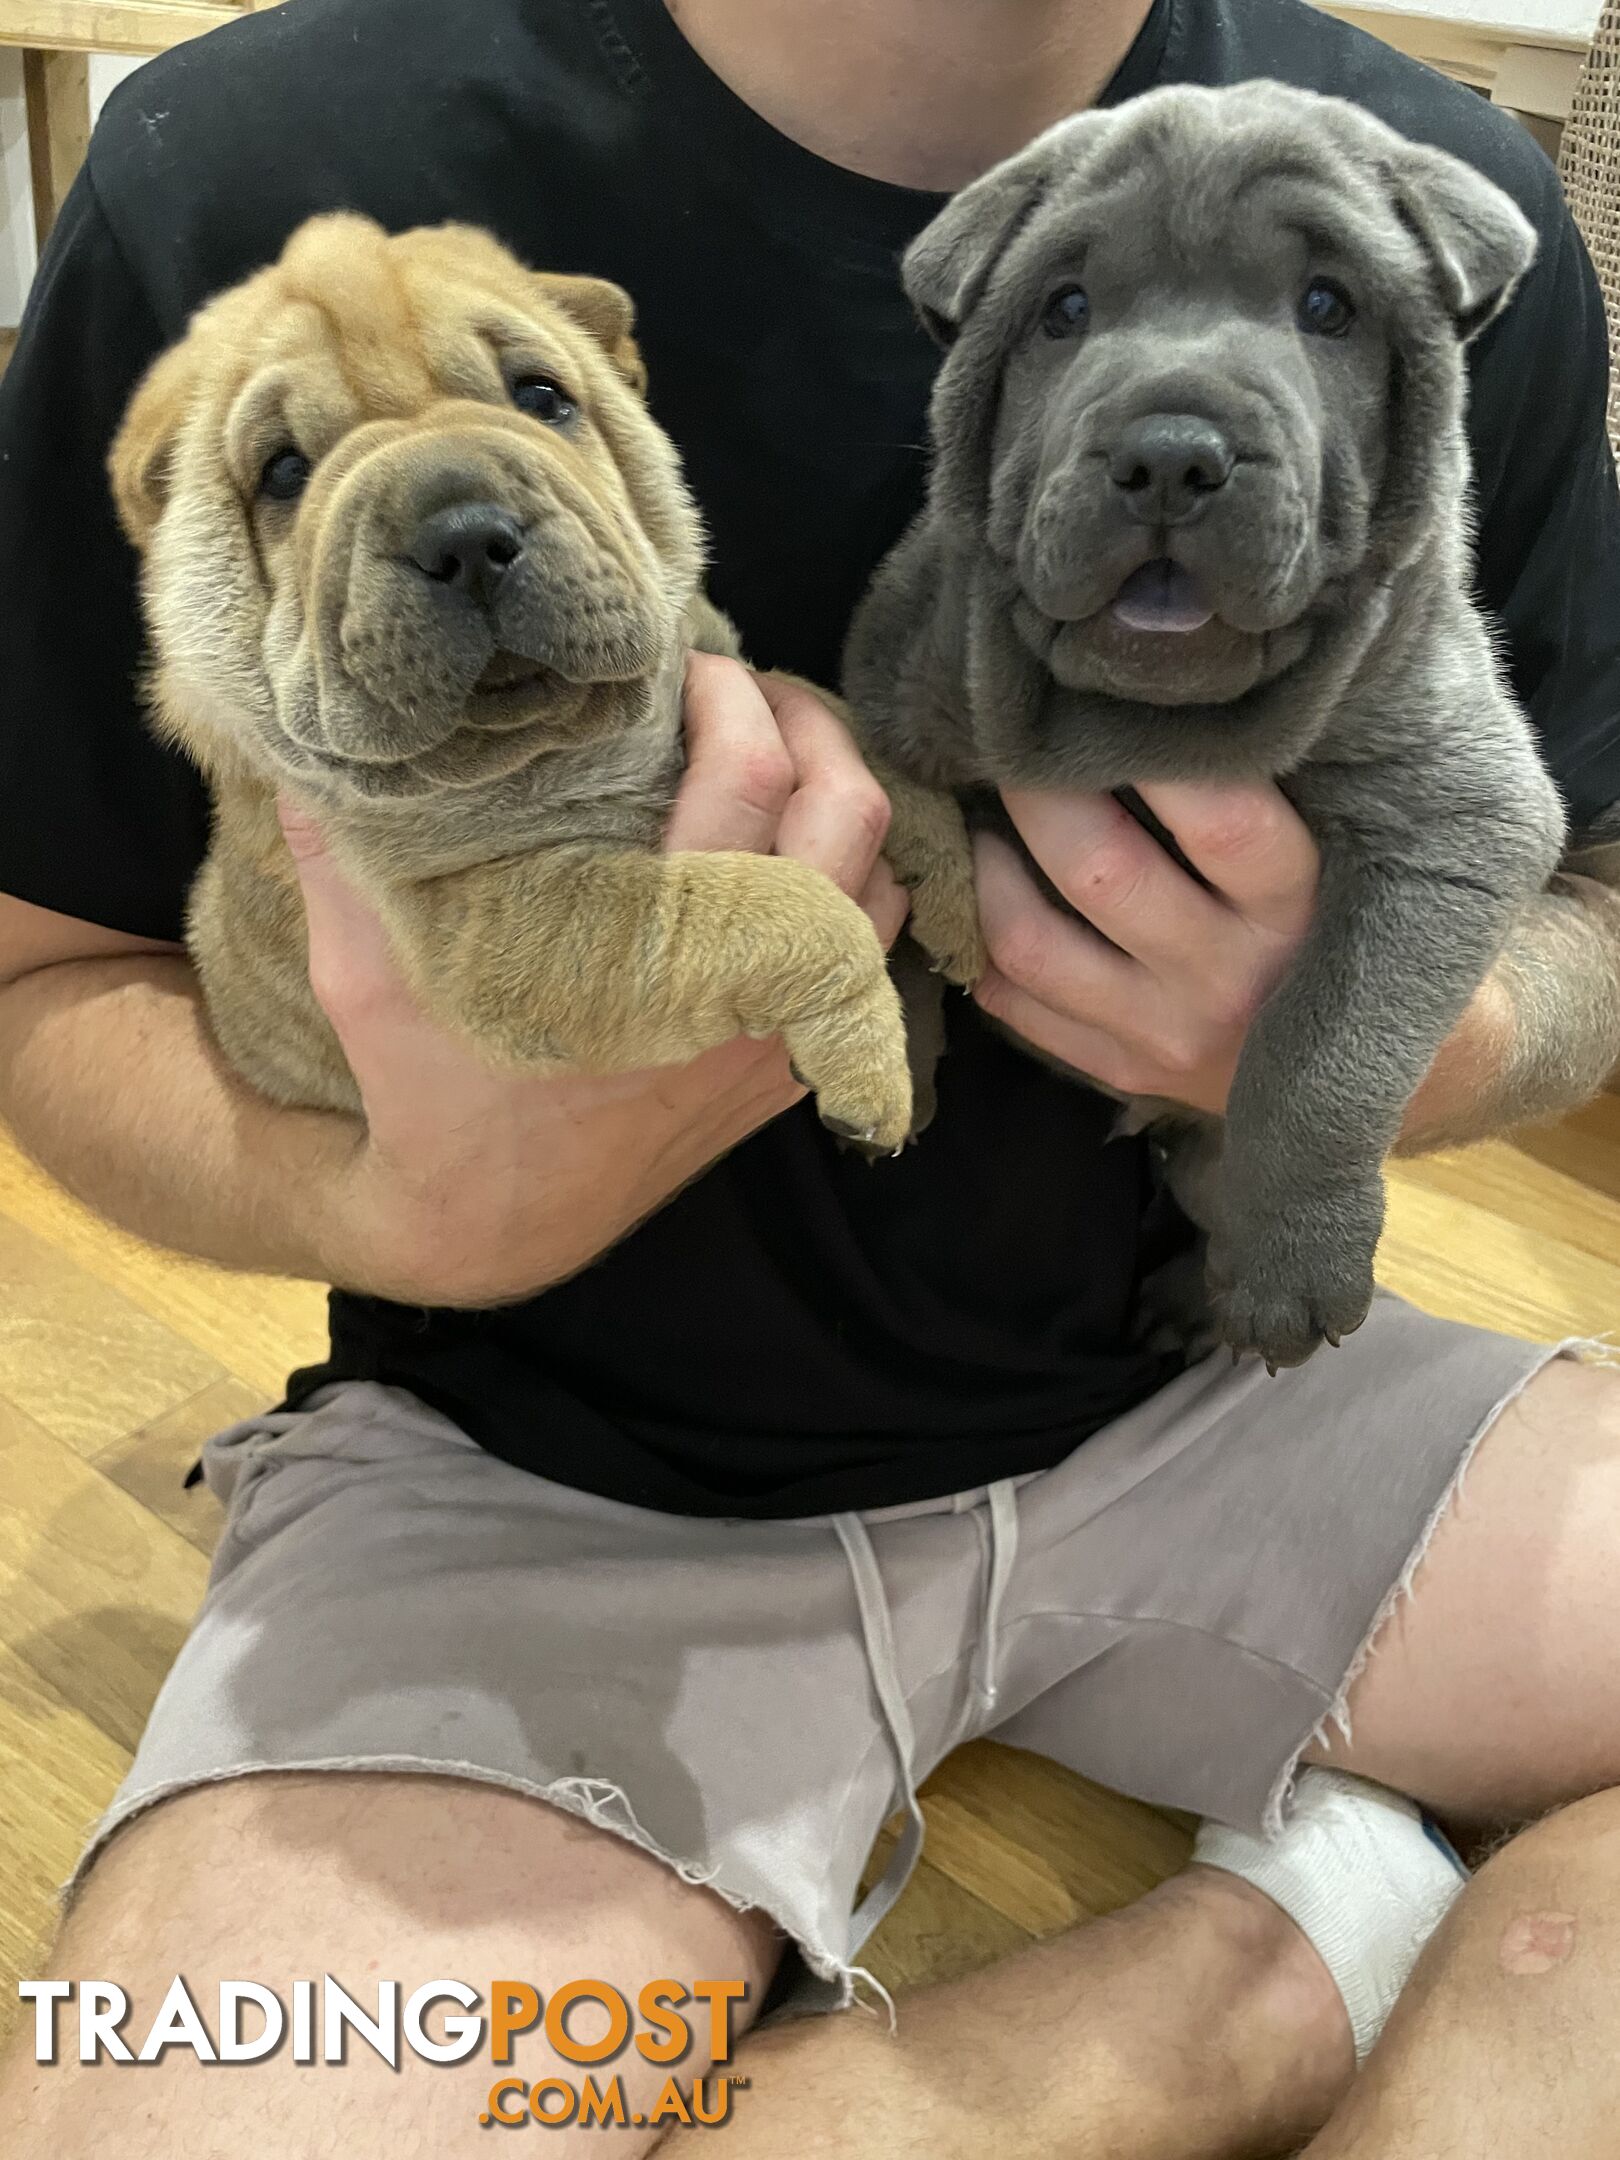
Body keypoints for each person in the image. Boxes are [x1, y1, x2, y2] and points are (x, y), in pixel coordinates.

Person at [2, 0, 1619, 2150]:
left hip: (1209, 1395)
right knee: (177, 2111)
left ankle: (1313, 1956)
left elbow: (1590, 890)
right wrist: (389, 1212)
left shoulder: (1447, 211)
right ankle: (1278, 1965)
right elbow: (46, 974)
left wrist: (1394, 1055)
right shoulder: (243, 162)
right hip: (540, 1489)